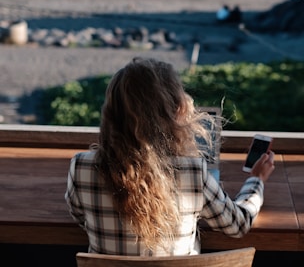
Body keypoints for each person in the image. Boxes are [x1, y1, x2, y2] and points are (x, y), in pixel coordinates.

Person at [65, 57, 275, 256]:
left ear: (111, 111)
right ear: (176, 111)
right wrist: (256, 180)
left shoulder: (82, 167)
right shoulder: (192, 172)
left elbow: (80, 216)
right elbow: (238, 224)